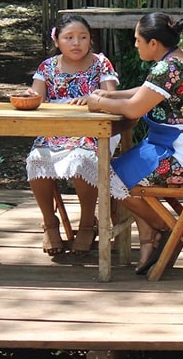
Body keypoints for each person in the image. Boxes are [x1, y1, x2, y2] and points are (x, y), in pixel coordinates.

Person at [83, 12, 183, 275]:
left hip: (182, 157)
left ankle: (163, 226)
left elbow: (133, 109)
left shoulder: (167, 68)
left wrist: (98, 102)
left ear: (153, 43)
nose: (135, 45)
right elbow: (146, 90)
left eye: (137, 40)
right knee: (116, 172)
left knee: (108, 177)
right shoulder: (180, 58)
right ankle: (148, 233)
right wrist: (110, 94)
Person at [25, 14, 119, 256]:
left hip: (94, 132)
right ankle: (49, 223)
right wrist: (28, 96)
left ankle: (88, 223)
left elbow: (113, 96)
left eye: (82, 37)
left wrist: (95, 98)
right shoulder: (47, 67)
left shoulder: (100, 63)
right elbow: (36, 99)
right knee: (37, 159)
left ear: (90, 40)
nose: (76, 42)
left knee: (80, 160)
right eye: (69, 37)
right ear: (57, 40)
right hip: (55, 131)